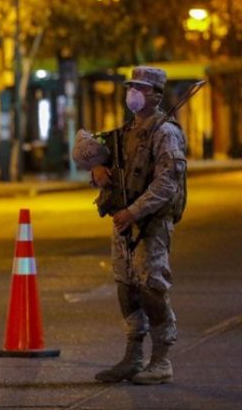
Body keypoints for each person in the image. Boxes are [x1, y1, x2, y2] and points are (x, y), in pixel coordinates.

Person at [90, 66, 187, 385]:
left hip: (150, 224)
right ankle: (132, 356)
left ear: (157, 94)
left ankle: (161, 360)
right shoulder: (127, 131)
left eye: (141, 88)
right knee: (126, 287)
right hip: (123, 223)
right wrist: (98, 175)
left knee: (152, 288)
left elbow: (166, 183)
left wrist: (134, 211)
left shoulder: (166, 132)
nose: (133, 92)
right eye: (131, 86)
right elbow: (115, 170)